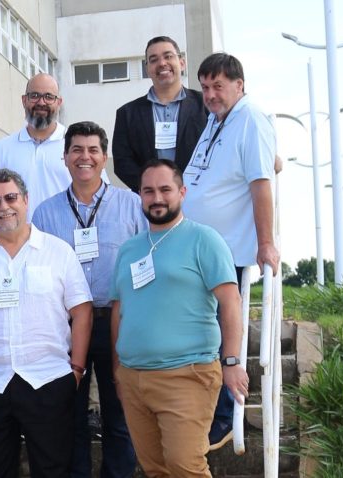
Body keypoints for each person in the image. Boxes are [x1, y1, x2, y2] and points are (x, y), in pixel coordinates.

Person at [0, 168, 93, 478]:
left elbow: (82, 311)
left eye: (11, 198)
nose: (4, 207)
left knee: (53, 469)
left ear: (26, 200)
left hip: (48, 380)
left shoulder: (58, 252)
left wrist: (77, 370)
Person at [110, 159, 249, 477]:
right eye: (148, 191)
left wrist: (231, 362)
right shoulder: (129, 249)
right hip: (134, 378)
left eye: (165, 189)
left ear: (182, 192)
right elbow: (119, 309)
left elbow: (230, 302)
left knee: (185, 467)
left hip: (187, 375)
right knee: (154, 469)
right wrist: (118, 372)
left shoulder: (204, 239)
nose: (156, 198)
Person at [32, 121, 145, 478]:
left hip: (118, 323)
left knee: (121, 416)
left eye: (93, 150)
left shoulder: (132, 206)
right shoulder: (44, 214)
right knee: (70, 419)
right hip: (65, 328)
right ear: (64, 158)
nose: (85, 157)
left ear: (105, 157)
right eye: (77, 150)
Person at [182, 52, 278, 449]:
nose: (210, 94)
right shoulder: (216, 121)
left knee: (226, 332)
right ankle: (207, 411)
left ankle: (224, 417)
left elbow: (261, 182)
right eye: (204, 87)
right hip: (200, 248)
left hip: (230, 250)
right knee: (202, 331)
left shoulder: (250, 117)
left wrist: (267, 243)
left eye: (218, 86)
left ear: (239, 84)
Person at [0, 73, 107, 218]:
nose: (41, 102)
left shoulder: (78, 146)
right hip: (18, 237)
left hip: (68, 233)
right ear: (24, 100)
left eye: (49, 97)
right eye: (35, 95)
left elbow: (101, 193)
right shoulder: (3, 149)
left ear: (59, 102)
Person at [112, 36, 207, 191]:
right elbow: (123, 162)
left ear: (182, 63)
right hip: (151, 204)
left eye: (168, 56)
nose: (162, 63)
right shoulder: (127, 114)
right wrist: (151, 189)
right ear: (147, 68)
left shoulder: (205, 105)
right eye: (154, 59)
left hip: (198, 196)